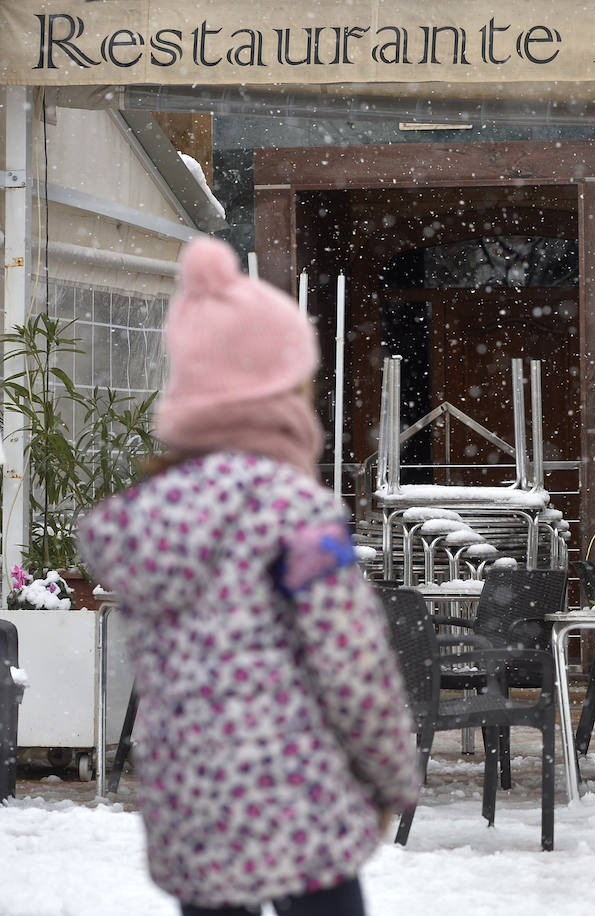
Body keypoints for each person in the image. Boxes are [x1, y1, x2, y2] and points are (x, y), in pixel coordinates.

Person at [78, 236, 420, 916]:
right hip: (299, 799)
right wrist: (390, 780)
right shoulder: (299, 515)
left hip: (192, 805)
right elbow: (351, 661)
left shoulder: (146, 517)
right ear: (280, 387)